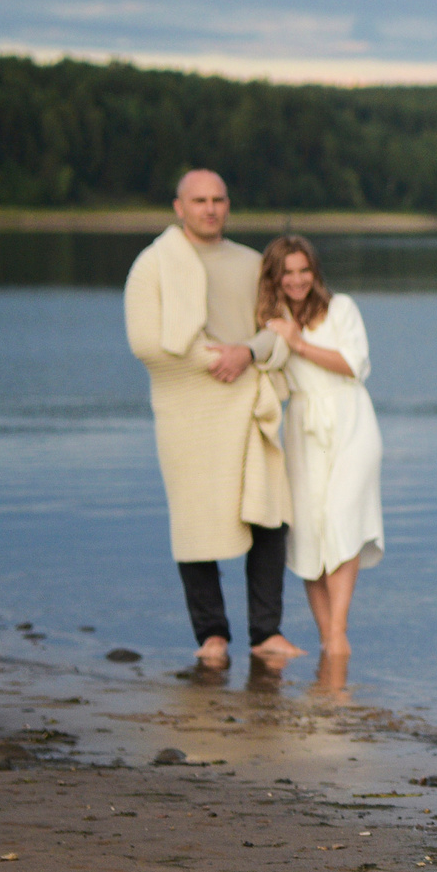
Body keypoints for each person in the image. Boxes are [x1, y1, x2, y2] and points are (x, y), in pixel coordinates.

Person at [123, 170, 302, 667]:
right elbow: (145, 342)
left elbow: (282, 332)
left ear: (228, 204)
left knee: (270, 517)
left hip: (248, 406)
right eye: (199, 200)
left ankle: (266, 632)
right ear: (178, 207)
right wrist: (216, 362)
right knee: (195, 520)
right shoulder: (153, 265)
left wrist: (245, 353)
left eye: (218, 199)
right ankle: (212, 636)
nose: (210, 208)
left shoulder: (251, 263)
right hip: (189, 414)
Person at [260, 237, 384, 657]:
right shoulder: (269, 320)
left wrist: (300, 343)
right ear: (275, 277)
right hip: (302, 425)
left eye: (303, 270)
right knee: (311, 531)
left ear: (315, 272)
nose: (296, 280)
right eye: (287, 272)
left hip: (351, 421)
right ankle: (328, 635)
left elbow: (354, 365)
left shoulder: (341, 308)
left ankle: (338, 633)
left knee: (342, 518)